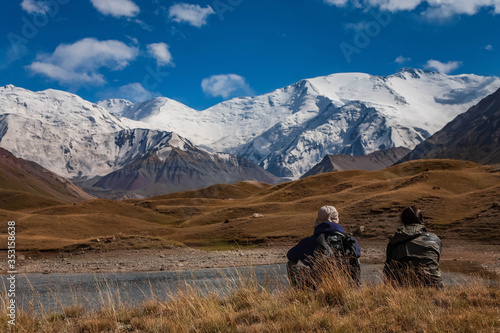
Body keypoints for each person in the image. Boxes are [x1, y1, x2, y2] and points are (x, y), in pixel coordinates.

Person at [287, 206, 361, 287]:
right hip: (347, 285)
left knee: (291, 263)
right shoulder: (350, 240)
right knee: (355, 258)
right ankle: (355, 286)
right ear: (337, 220)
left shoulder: (309, 241)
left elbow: (290, 255)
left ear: (318, 221)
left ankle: (301, 292)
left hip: (318, 286)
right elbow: (357, 254)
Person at [383, 206, 443, 288]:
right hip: (435, 286)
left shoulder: (395, 242)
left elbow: (389, 268)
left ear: (403, 221)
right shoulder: (435, 239)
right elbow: (435, 261)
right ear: (421, 220)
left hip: (405, 288)